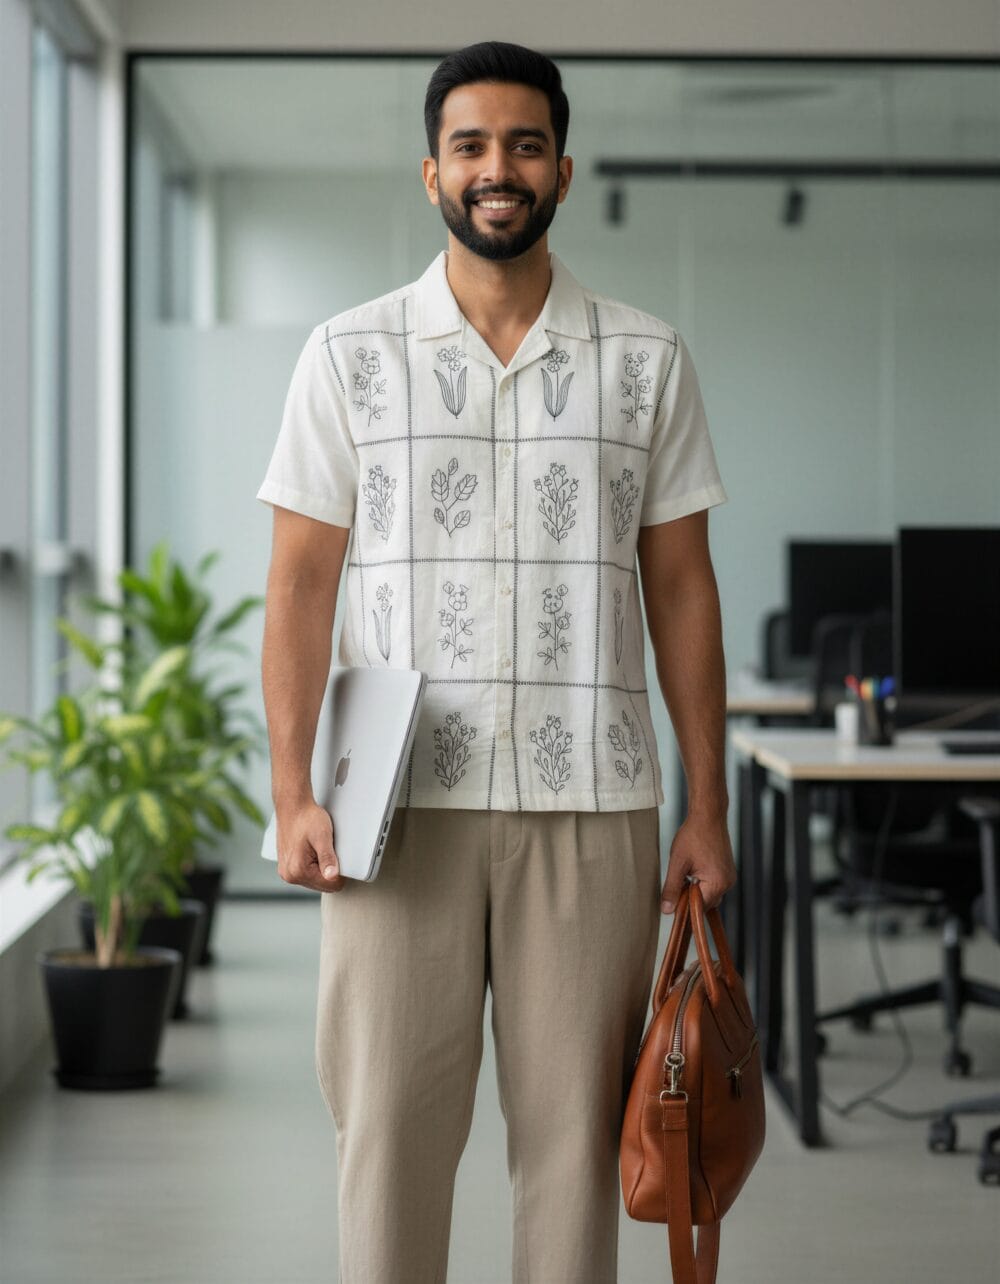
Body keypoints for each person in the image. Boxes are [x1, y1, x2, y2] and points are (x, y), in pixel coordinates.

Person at [257, 40, 735, 1284]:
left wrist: (708, 803)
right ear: (432, 171)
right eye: (469, 145)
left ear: (562, 170)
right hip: (393, 811)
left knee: (575, 1148)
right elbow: (299, 586)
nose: (497, 169)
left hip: (592, 804)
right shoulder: (348, 355)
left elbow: (682, 589)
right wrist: (291, 791)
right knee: (387, 1140)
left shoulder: (645, 359)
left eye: (525, 145)